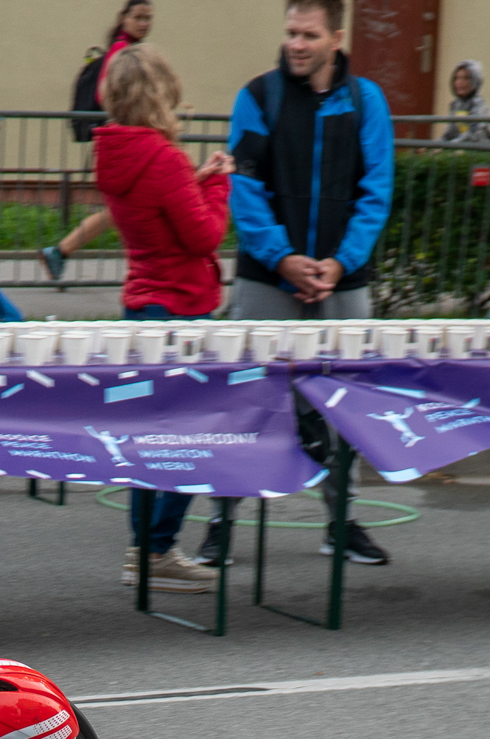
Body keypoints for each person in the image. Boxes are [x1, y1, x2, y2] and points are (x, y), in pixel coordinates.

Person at [200, 0, 394, 568]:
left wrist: (340, 263)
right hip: (268, 277)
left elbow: (376, 189)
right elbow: (244, 186)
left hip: (343, 280)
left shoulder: (367, 101)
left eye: (309, 34)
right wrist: (282, 257)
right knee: (245, 400)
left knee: (346, 404)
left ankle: (341, 522)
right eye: (291, 33)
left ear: (336, 38)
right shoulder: (258, 96)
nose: (297, 44)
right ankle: (221, 521)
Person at [92, 42, 229, 595]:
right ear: (159, 95)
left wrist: (194, 181)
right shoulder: (164, 157)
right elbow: (203, 235)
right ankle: (159, 550)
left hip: (143, 303)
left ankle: (142, 549)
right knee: (191, 437)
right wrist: (217, 183)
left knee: (148, 437)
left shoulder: (117, 154)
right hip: (182, 307)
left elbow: (161, 210)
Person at [40, 0, 153, 282]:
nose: (144, 24)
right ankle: (142, 270)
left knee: (125, 208)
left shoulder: (128, 50)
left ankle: (59, 252)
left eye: (148, 18)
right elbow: (105, 94)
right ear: (124, 18)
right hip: (122, 143)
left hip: (122, 141)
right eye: (138, 17)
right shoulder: (122, 51)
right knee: (131, 207)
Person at [441, 59, 490, 144]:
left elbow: (473, 134)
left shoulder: (479, 105)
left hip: (478, 149)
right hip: (458, 148)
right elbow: (449, 134)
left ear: (475, 81)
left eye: (466, 78)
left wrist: (450, 145)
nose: (460, 82)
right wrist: (433, 145)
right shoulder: (455, 104)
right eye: (457, 78)